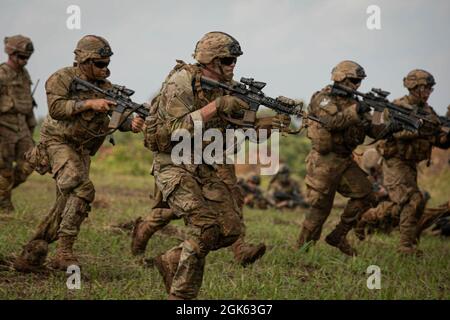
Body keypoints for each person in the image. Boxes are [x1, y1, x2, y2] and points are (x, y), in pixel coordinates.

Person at [14, 35, 144, 272]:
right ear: (84, 60)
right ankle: (65, 252)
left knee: (66, 204)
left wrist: (131, 123)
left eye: (107, 63)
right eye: (100, 64)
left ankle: (32, 254)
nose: (105, 69)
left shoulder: (107, 88)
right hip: (57, 143)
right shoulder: (62, 78)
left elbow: (118, 119)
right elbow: (56, 109)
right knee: (83, 188)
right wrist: (89, 104)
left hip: (82, 150)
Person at [296, 60, 387, 256]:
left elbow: (375, 130)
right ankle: (302, 251)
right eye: (353, 80)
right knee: (320, 207)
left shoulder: (355, 103)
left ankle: (338, 235)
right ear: (340, 78)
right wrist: (358, 110)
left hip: (345, 160)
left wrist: (380, 113)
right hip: (324, 161)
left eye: (359, 82)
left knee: (366, 194)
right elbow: (331, 122)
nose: (356, 85)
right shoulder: (323, 98)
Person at [375, 69, 449, 255]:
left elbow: (439, 140)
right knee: (412, 199)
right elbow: (388, 131)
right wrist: (421, 128)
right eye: (425, 88)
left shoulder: (428, 111)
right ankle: (405, 246)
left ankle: (367, 218)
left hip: (410, 164)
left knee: (410, 202)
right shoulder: (396, 107)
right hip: (394, 162)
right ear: (414, 87)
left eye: (431, 89)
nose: (428, 92)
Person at [0, 35, 36, 213]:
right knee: (4, 169)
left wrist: (31, 126)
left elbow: (29, 102)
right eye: (21, 57)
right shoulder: (1, 74)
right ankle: (5, 206)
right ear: (11, 54)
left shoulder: (24, 74)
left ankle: (1, 193)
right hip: (3, 127)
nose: (24, 61)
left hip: (22, 127)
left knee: (30, 163)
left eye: (27, 58)